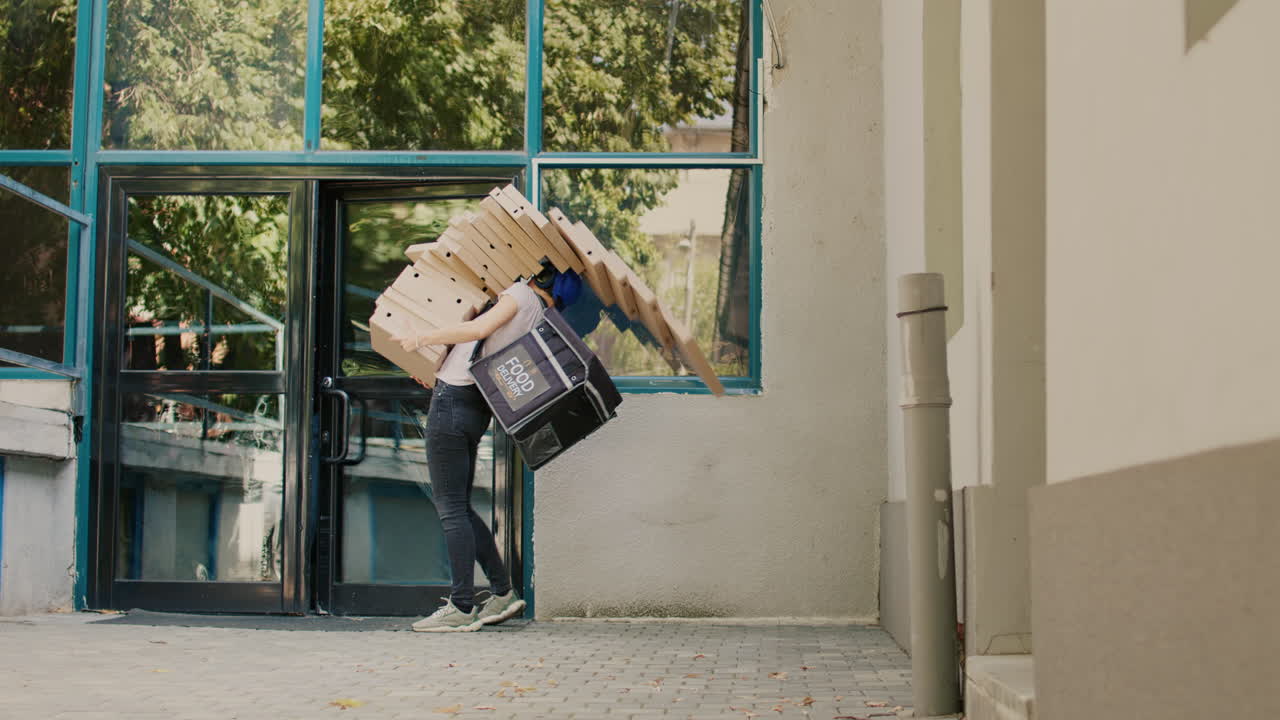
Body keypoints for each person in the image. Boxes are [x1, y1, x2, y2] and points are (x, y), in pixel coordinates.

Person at [392, 261, 582, 632]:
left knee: (449, 509)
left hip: (452, 403)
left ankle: (461, 606)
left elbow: (478, 330)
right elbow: (480, 351)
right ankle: (502, 592)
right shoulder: (540, 315)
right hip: (476, 405)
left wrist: (420, 339)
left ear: (539, 276)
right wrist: (435, 365)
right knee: (459, 507)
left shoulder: (520, 295)